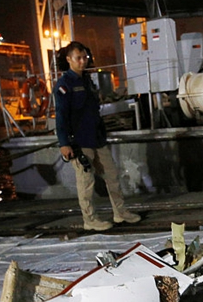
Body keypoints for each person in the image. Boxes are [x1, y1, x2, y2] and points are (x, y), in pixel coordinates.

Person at [55, 41, 140, 231]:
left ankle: (120, 212)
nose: (82, 61)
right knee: (86, 182)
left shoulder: (87, 81)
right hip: (80, 141)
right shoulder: (64, 85)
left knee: (112, 176)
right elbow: (60, 116)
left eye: (84, 57)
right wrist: (64, 143)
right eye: (78, 58)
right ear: (69, 59)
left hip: (96, 138)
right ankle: (90, 219)